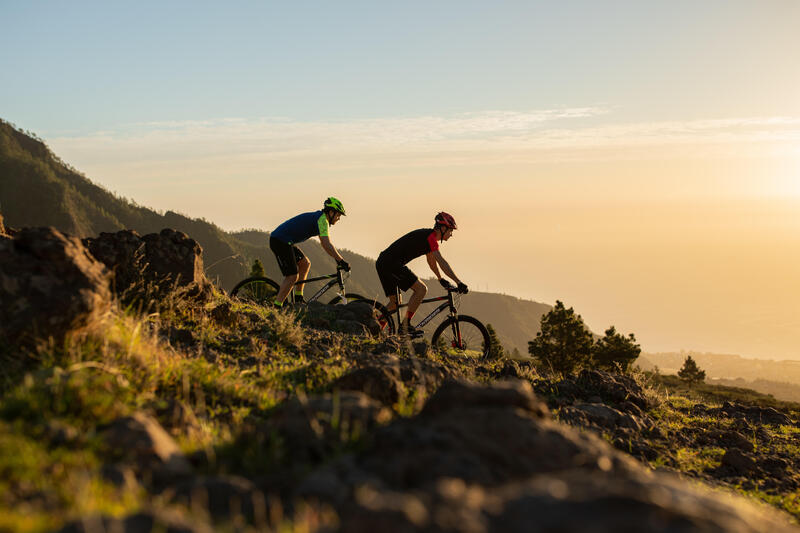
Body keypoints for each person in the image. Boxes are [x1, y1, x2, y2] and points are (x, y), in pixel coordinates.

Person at [376, 212, 468, 336]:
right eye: (450, 231)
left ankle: (374, 328)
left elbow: (431, 260)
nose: (451, 235)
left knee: (394, 303)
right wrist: (459, 282)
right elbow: (441, 261)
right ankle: (405, 326)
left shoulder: (429, 237)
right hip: (391, 264)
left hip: (385, 262)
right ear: (443, 228)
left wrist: (440, 278)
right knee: (421, 289)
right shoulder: (431, 237)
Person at [269, 197, 350, 306]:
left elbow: (326, 245)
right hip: (280, 241)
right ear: (331, 212)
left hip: (285, 241)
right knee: (292, 276)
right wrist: (341, 260)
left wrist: (338, 259)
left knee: (305, 264)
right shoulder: (322, 220)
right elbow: (326, 244)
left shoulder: (321, 218)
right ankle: (277, 306)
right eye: (338, 215)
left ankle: (298, 297)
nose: (338, 218)